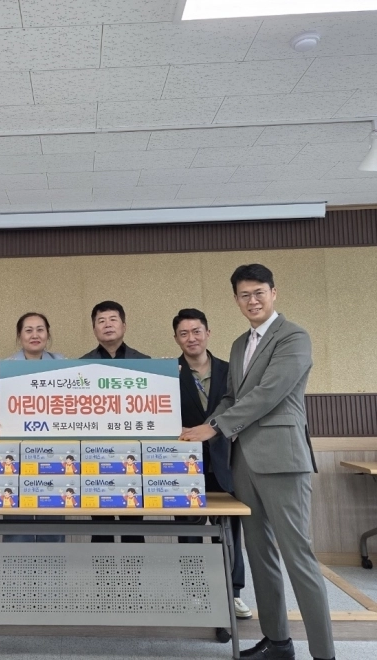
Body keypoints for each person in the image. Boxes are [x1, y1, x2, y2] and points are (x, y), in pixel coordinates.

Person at [180, 265, 335, 660]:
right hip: (243, 460)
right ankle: (278, 643)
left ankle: (324, 653)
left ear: (273, 292)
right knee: (259, 554)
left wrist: (215, 426)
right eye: (244, 295)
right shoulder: (238, 344)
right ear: (236, 300)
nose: (252, 300)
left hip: (282, 459)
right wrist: (204, 426)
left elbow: (270, 392)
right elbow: (232, 396)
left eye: (259, 292)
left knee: (297, 556)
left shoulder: (294, 336)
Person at [173, 308, 251, 622]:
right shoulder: (169, 374)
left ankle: (234, 592)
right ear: (176, 338)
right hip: (183, 466)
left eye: (196, 331)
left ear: (208, 333)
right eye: (184, 333)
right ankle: (194, 592)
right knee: (188, 530)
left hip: (225, 461)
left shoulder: (230, 370)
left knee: (229, 530)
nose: (191, 338)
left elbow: (242, 410)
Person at [81, 301, 150, 543]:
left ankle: (134, 568)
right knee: (101, 523)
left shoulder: (146, 363)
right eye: (101, 321)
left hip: (133, 452)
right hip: (96, 452)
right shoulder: (80, 366)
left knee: (133, 522)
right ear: (94, 329)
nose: (107, 325)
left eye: (113, 319)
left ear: (124, 325)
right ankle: (103, 568)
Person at [0, 312, 66, 543]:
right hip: (16, 447)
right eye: (28, 330)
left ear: (47, 334)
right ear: (20, 336)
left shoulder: (62, 363)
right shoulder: (7, 365)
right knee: (17, 506)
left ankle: (53, 561)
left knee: (52, 506)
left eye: (40, 329)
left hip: (54, 448)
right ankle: (16, 561)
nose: (35, 335)